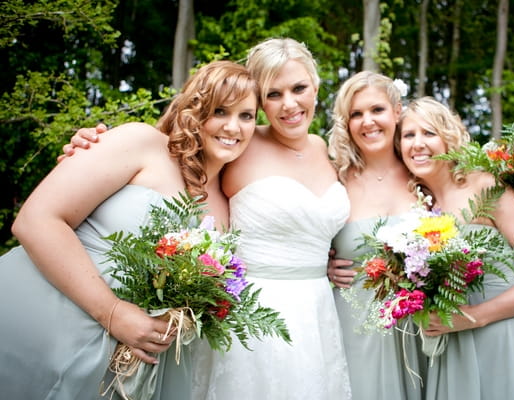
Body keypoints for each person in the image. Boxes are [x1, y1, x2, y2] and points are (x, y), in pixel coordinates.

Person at [59, 38, 352, 400]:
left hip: (317, 311)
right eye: (273, 94)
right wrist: (87, 149)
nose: (289, 103)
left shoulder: (327, 151)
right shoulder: (241, 146)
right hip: (251, 316)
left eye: (299, 88)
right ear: (259, 100)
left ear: (316, 85)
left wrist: (329, 259)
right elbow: (176, 154)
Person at [0, 60, 259, 400]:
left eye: (247, 116)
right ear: (195, 110)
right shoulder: (142, 143)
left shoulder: (226, 205)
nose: (233, 127)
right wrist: (113, 313)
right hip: (42, 321)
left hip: (120, 370)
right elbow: (36, 220)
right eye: (220, 111)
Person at [398, 96, 514, 400]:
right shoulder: (420, 209)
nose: (418, 143)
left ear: (449, 137)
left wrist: (476, 315)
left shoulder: (485, 186)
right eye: (408, 135)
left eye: (429, 133)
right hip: (457, 348)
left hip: (512, 338)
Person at [326, 71, 426, 400]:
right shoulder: (334, 179)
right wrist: (323, 267)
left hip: (421, 323)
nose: (367, 122)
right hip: (356, 326)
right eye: (356, 114)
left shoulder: (425, 172)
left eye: (377, 110)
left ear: (397, 111)